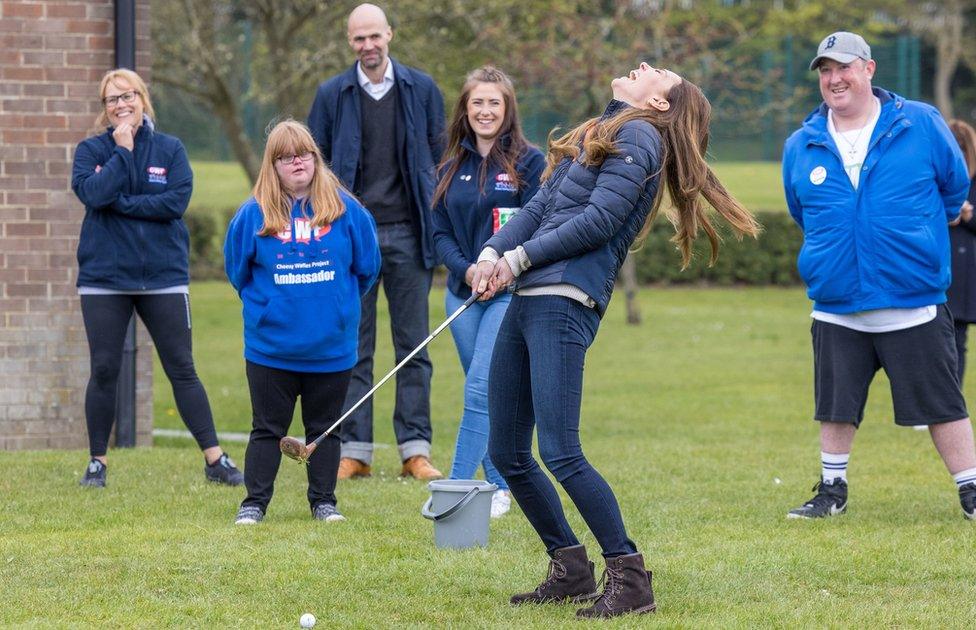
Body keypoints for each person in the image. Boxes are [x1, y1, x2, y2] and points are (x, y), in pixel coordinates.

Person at [473, 64, 760, 618]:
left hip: (563, 301)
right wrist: (492, 254)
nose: (644, 66)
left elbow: (601, 220)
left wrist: (518, 259)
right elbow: (537, 210)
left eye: (659, 73)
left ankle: (630, 577)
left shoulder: (639, 136)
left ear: (659, 104)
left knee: (559, 450)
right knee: (506, 450)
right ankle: (571, 566)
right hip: (530, 295)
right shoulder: (599, 134)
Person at [782, 32, 976, 521]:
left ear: (868, 70)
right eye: (825, 70)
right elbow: (802, 212)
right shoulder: (800, 144)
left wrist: (910, 237)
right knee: (834, 406)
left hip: (912, 299)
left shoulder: (922, 124)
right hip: (837, 303)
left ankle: (971, 490)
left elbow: (953, 192)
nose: (833, 79)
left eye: (843, 67)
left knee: (944, 404)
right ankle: (831, 491)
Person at [70, 68, 243, 488]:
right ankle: (97, 463)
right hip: (104, 279)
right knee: (105, 369)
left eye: (128, 96)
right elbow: (93, 195)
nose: (121, 105)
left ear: (143, 98)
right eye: (112, 100)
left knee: (182, 368)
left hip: (162, 277)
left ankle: (215, 460)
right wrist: (123, 152)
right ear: (105, 109)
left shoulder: (171, 149)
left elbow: (175, 203)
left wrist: (120, 203)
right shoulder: (91, 150)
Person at [307, 3, 446, 481]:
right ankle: (355, 451)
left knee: (413, 348)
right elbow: (317, 168)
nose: (368, 46)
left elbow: (437, 161)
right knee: (353, 348)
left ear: (390, 34)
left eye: (374, 36)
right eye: (358, 39)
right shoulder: (331, 95)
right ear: (350, 43)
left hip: (410, 234)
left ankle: (415, 451)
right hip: (351, 239)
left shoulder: (423, 89)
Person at [223, 120, 380, 525]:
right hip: (271, 349)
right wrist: (271, 309)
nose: (297, 162)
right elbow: (238, 272)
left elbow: (367, 268)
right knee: (266, 428)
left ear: (315, 157)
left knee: (325, 428)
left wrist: (336, 309)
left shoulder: (347, 210)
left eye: (304, 153)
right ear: (272, 165)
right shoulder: (252, 214)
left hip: (331, 348)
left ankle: (323, 502)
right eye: (286, 157)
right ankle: (254, 504)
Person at [431, 66, 545, 519]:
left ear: (507, 108)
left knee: (481, 387)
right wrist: (466, 271)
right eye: (477, 102)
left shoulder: (530, 162)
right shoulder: (448, 164)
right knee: (487, 392)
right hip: (462, 295)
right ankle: (500, 483)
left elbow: (537, 223)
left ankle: (457, 491)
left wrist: (496, 270)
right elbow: (439, 232)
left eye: (494, 102)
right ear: (465, 108)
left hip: (508, 292)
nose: (485, 110)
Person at [947, 119, 976, 384]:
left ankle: (951, 406)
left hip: (966, 273)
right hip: (939, 267)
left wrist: (968, 216)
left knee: (958, 340)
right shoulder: (936, 178)